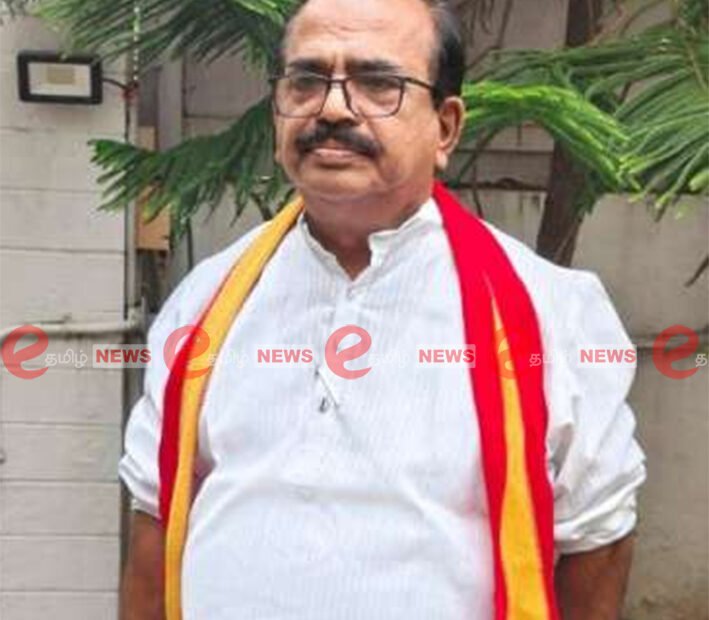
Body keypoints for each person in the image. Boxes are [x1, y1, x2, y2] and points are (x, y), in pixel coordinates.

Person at [118, 0, 647, 618]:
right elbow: (156, 515)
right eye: (307, 80)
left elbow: (597, 540)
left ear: (445, 127)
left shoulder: (550, 312)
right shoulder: (206, 300)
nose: (332, 108)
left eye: (378, 83)